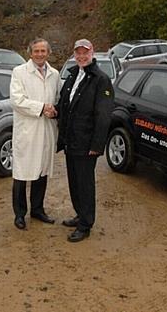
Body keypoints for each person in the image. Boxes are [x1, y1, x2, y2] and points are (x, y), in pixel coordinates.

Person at [56, 39, 114, 242]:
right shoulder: (73, 75)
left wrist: (97, 145)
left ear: (92, 53)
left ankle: (86, 224)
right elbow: (65, 104)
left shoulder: (101, 79)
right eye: (78, 53)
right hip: (71, 141)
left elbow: (104, 115)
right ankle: (79, 214)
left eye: (85, 52)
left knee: (85, 184)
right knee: (74, 181)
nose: (81, 56)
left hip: (86, 143)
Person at [9, 38, 60, 230]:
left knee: (41, 171)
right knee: (22, 173)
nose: (40, 54)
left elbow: (57, 99)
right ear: (29, 53)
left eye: (43, 51)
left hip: (46, 129)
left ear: (48, 53)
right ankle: (19, 214)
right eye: (36, 51)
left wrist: (54, 110)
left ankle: (37, 209)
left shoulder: (54, 74)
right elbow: (16, 100)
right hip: (27, 131)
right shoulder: (19, 72)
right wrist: (41, 108)